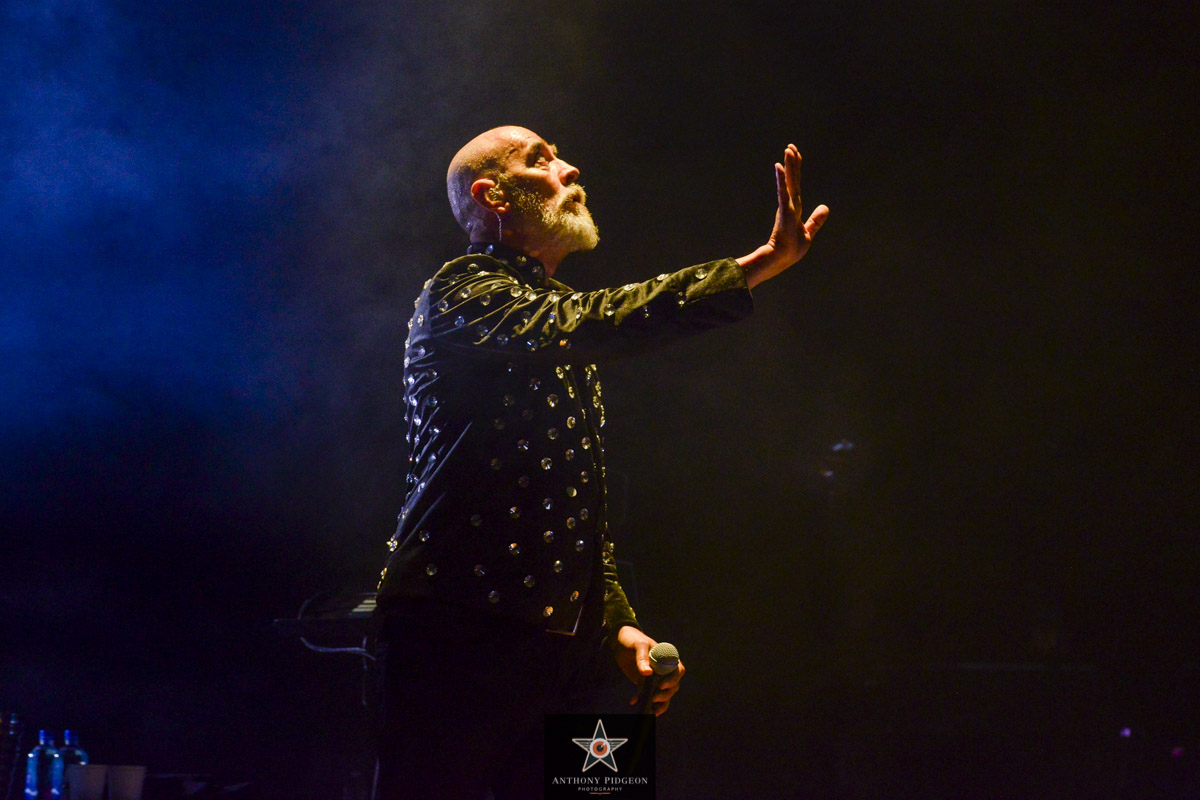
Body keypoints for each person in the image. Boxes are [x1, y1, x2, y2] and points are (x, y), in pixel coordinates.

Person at [372, 125, 828, 800]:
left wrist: (616, 622)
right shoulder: (460, 294)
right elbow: (597, 320)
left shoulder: (553, 321)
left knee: (605, 791)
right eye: (541, 160)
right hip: (453, 642)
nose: (569, 167)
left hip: (567, 655)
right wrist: (755, 264)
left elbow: (570, 504)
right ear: (492, 194)